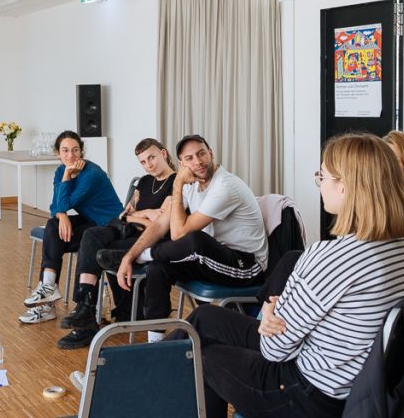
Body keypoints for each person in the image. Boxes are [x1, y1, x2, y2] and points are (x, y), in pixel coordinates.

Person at [170, 132, 404, 418]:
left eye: (322, 176)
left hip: (307, 397)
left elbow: (274, 350)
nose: (319, 185)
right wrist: (283, 317)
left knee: (199, 355)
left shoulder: (329, 257)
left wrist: (272, 313)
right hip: (358, 393)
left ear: (346, 187)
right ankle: (144, 379)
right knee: (203, 318)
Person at [102, 134, 268, 340]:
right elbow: (160, 224)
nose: (198, 161)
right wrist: (129, 256)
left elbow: (178, 233)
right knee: (157, 268)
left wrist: (178, 182)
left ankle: (144, 256)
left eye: (201, 154)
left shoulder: (225, 186)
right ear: (182, 164)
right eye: (189, 158)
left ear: (211, 153)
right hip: (212, 259)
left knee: (195, 239)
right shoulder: (192, 185)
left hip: (245, 266)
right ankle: (155, 344)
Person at [55, 138, 176, 349]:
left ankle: (86, 324)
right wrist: (145, 214)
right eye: (143, 161)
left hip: (151, 240)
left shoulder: (176, 183)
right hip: (127, 230)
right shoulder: (144, 182)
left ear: (163, 154)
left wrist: (138, 215)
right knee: (91, 235)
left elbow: (159, 224)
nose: (149, 165)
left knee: (101, 253)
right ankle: (84, 304)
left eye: (152, 158)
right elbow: (124, 214)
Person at [19, 130, 122, 324]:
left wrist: (67, 176)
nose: (70, 155)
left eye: (75, 150)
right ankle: (48, 289)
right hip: (91, 221)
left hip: (109, 226)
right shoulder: (60, 171)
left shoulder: (91, 174)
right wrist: (62, 216)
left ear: (81, 152)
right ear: (57, 153)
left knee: (57, 234)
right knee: (53, 226)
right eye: (65, 150)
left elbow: (64, 203)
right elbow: (55, 207)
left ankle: (54, 301)